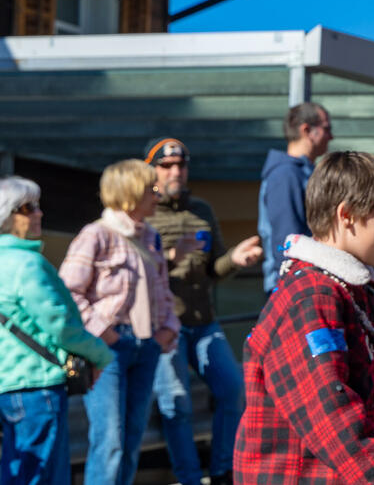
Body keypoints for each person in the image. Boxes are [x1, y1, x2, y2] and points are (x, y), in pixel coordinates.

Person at [234, 151, 374, 484]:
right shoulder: (311, 298)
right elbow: (333, 418)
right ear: (347, 215)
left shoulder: (344, 290)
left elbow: (371, 409)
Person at [142, 137, 263, 485]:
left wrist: (236, 260)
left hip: (204, 322)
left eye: (181, 164)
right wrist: (167, 258)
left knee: (233, 389)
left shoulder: (202, 210)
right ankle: (190, 477)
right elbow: (130, 273)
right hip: (166, 326)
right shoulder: (143, 213)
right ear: (152, 171)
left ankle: (224, 471)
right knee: (176, 404)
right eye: (166, 166)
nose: (175, 171)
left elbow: (214, 269)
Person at [60, 159, 180, 485]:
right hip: (107, 351)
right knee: (110, 439)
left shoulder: (151, 237)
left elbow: (163, 293)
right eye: (149, 190)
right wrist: (106, 334)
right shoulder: (95, 235)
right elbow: (69, 293)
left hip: (146, 346)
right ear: (130, 194)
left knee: (131, 440)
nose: (157, 195)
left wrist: (168, 330)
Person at [0, 177, 113, 485]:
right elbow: (61, 326)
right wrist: (102, 355)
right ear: (7, 215)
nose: (39, 214)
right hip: (36, 387)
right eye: (28, 207)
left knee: (19, 471)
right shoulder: (27, 265)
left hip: (8, 387)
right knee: (43, 475)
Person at [258, 101, 333, 294]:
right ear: (307, 130)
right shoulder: (286, 175)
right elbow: (287, 240)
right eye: (327, 128)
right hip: (293, 286)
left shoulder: (302, 173)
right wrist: (290, 287)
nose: (331, 136)